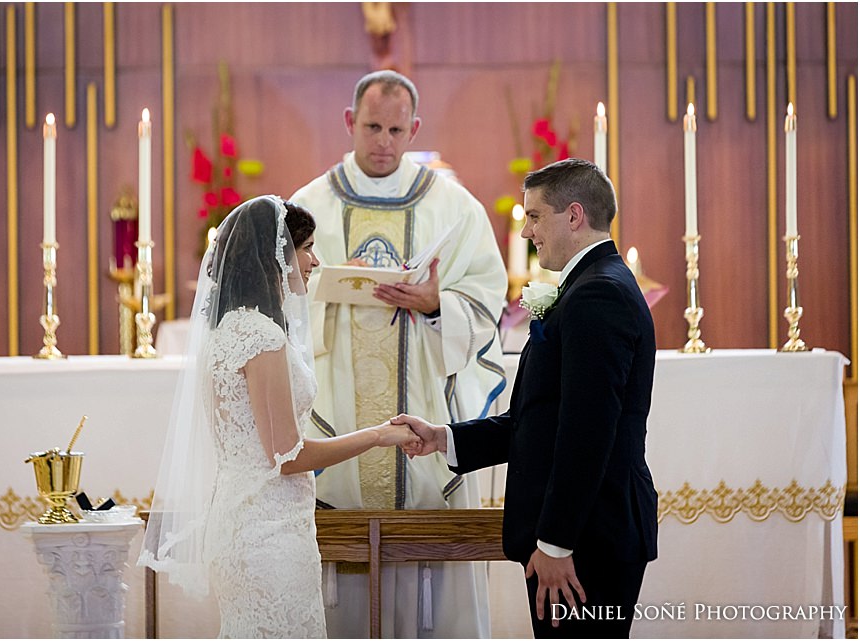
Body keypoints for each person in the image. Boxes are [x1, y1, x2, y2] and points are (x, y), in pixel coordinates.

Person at [396, 159, 659, 639]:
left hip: (583, 543)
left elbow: (587, 433)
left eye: (535, 216)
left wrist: (557, 544)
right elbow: (540, 419)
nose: (526, 232)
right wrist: (445, 438)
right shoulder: (590, 287)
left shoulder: (598, 295)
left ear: (574, 216)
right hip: (581, 535)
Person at [139, 195, 420, 638]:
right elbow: (286, 456)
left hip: (241, 521)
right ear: (274, 255)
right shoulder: (261, 336)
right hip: (268, 536)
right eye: (305, 247)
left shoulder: (226, 331)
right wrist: (376, 436)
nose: (314, 260)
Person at [290, 70, 507, 638]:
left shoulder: (455, 208)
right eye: (371, 127)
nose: (382, 141)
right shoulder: (306, 206)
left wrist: (438, 305)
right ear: (348, 123)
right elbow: (276, 302)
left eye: (394, 129)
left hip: (425, 415)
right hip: (336, 408)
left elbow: (486, 302)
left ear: (413, 129)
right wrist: (329, 286)